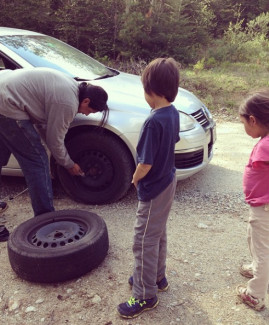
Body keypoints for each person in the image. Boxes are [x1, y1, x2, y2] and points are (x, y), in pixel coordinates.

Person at [0, 67, 109, 241]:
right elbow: (54, 139)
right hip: (7, 104)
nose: (86, 114)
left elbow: (47, 129)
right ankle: (45, 219)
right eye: (90, 111)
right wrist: (68, 163)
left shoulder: (71, 87)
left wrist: (60, 154)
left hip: (3, 89)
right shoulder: (68, 103)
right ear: (86, 101)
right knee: (37, 161)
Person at [117, 58, 180, 319]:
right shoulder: (173, 113)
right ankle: (157, 277)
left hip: (154, 188)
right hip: (169, 181)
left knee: (143, 240)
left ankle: (145, 295)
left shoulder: (153, 121)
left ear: (150, 91)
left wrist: (134, 178)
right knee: (157, 233)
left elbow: (145, 163)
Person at [237, 89, 269, 311]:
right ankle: (259, 269)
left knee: (262, 250)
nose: (245, 129)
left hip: (264, 208)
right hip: (261, 207)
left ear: (253, 120)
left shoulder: (266, 145)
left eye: (244, 124)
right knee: (255, 241)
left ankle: (256, 294)